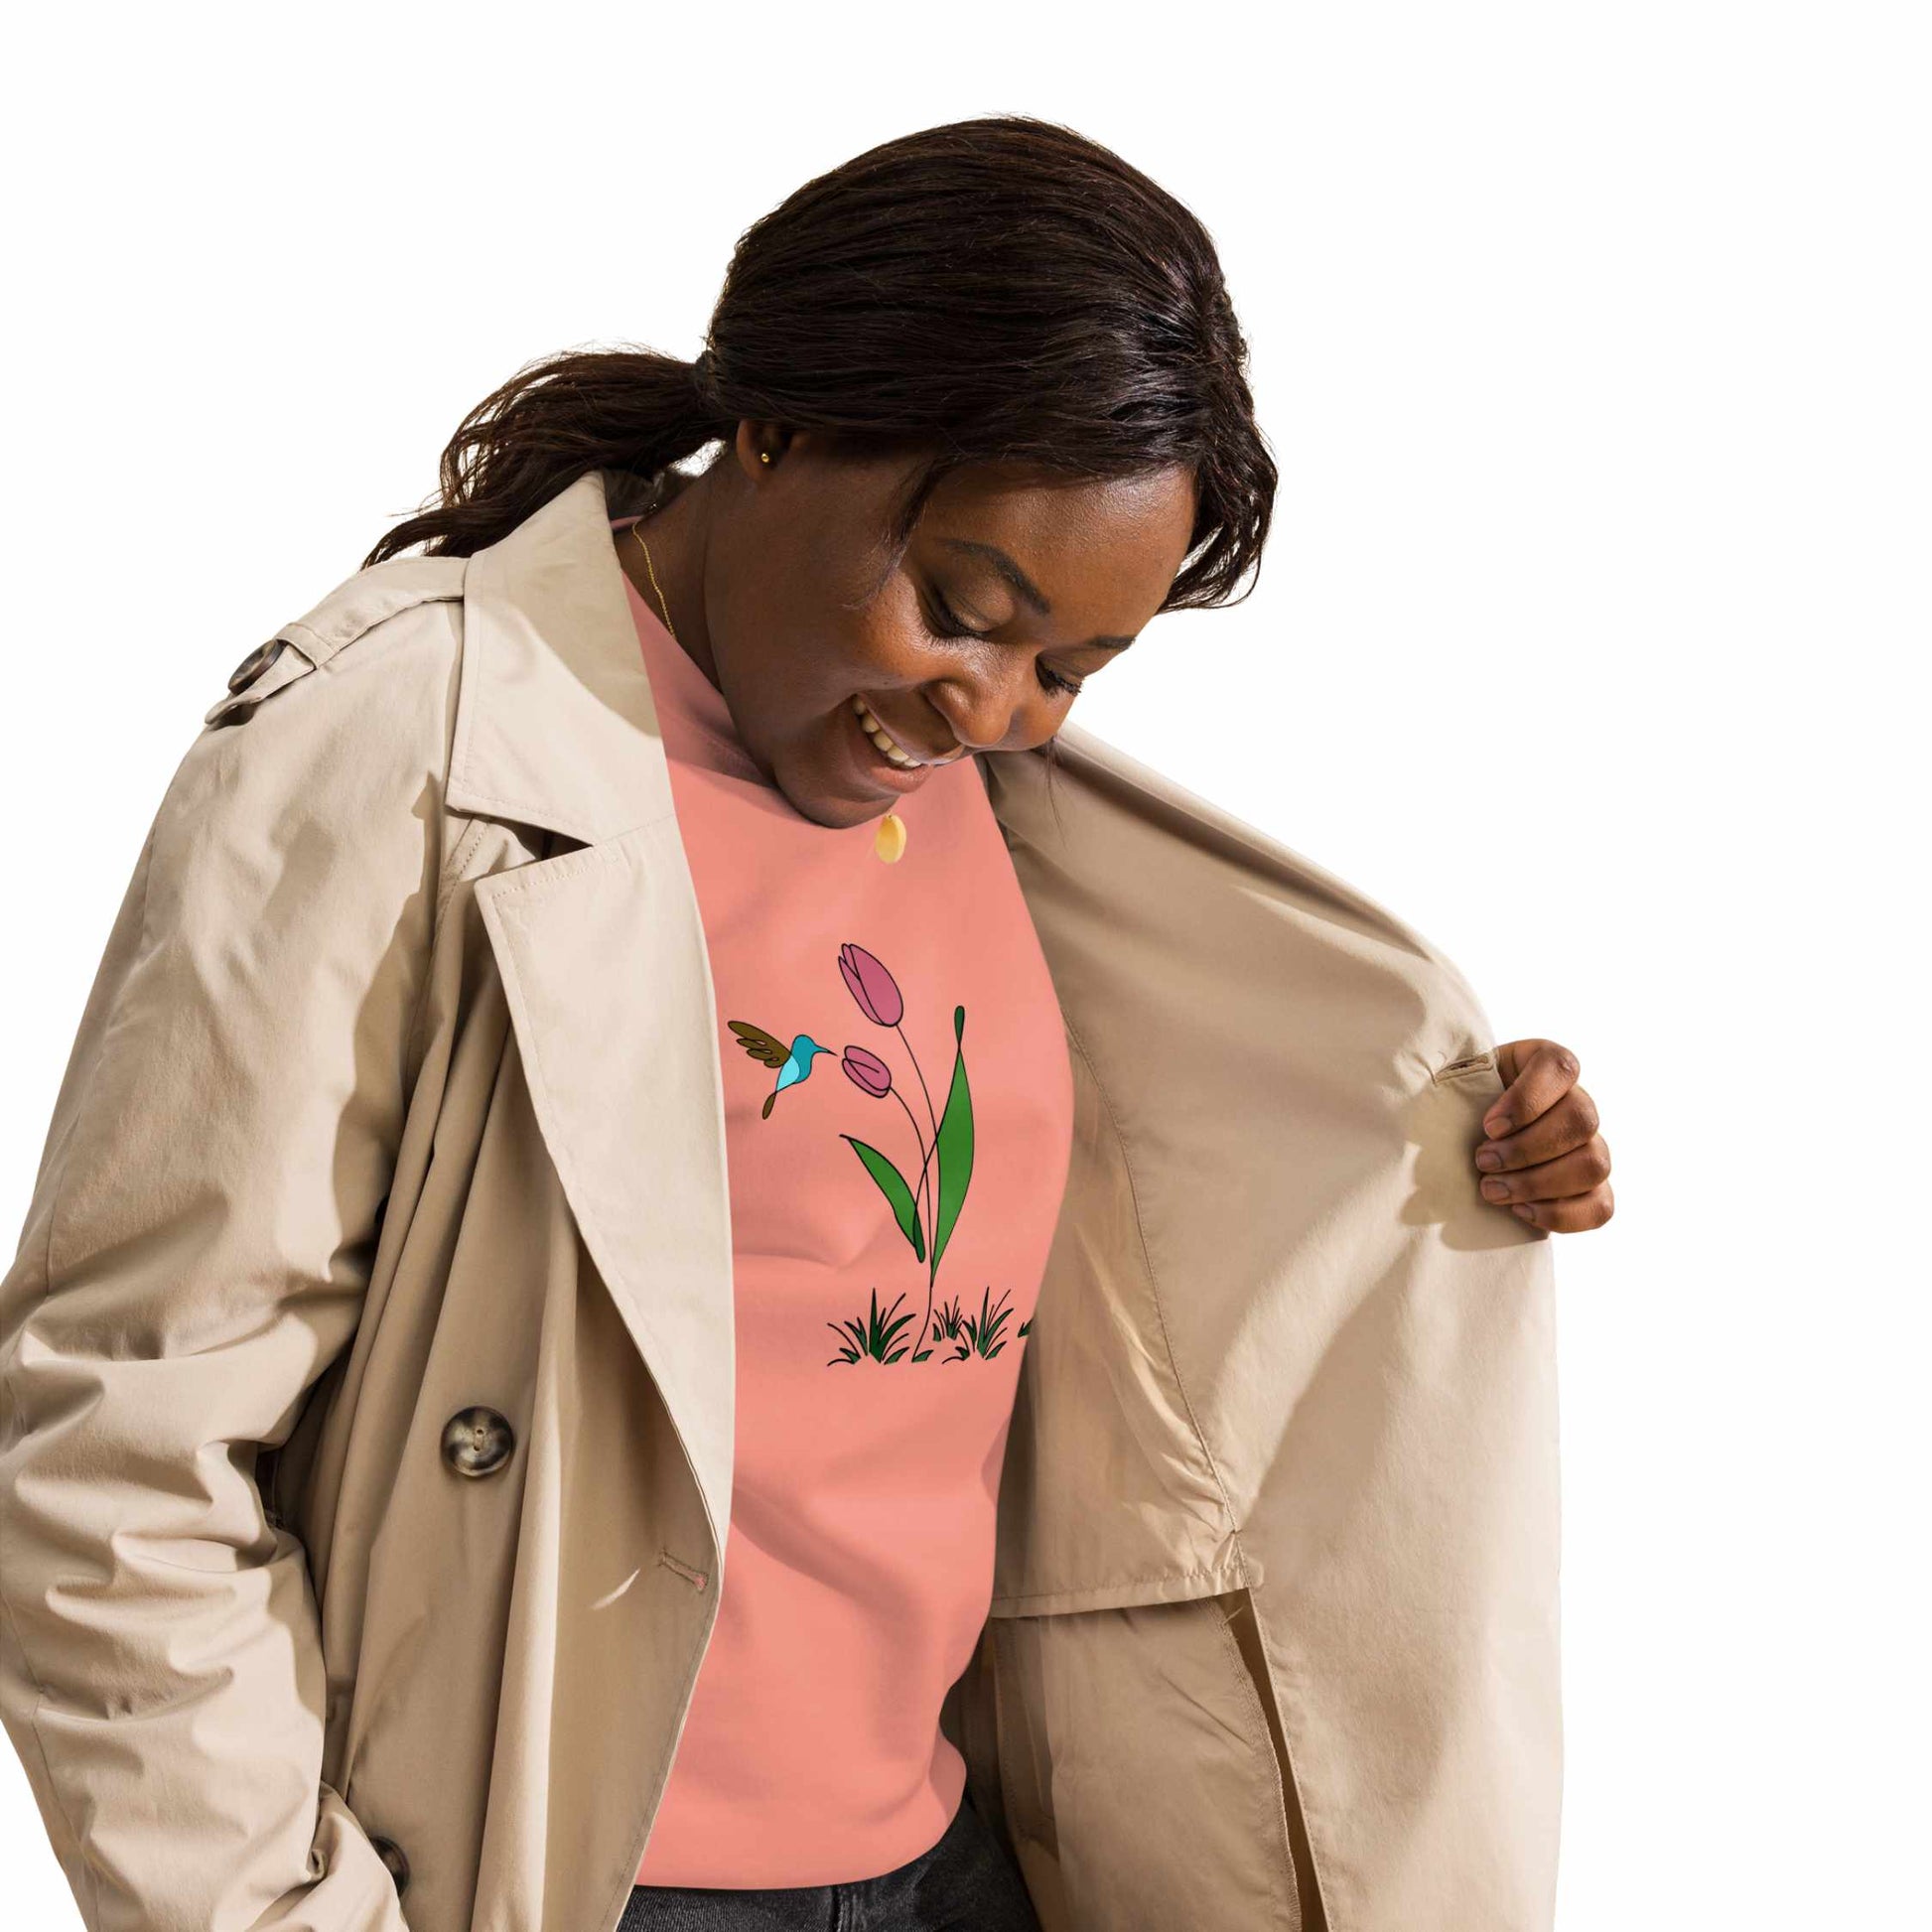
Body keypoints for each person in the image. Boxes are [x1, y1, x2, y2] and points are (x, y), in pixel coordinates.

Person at [0, 115, 1610, 1932]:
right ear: (775, 429)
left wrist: (1432, 1139)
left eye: (1071, 668)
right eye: (964, 606)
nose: (994, 706)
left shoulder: (994, 815)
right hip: (570, 1878)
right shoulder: (404, 747)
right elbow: (110, 1449)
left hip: (952, 1861)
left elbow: (1133, 1268)